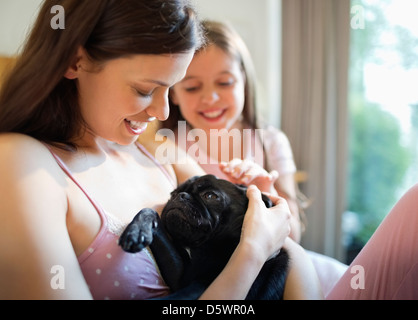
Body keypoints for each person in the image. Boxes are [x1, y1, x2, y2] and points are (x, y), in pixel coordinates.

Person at [0, 0, 322, 300]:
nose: (163, 111)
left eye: (171, 88)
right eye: (146, 89)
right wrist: (251, 254)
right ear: (75, 60)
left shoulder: (160, 152)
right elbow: (262, 248)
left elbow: (290, 254)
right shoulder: (21, 162)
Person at [160, 20, 348, 296]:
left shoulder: (269, 141)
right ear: (173, 91)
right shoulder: (169, 147)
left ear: (244, 82)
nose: (210, 97)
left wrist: (267, 193)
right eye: (191, 87)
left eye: (224, 82)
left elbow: (292, 234)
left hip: (290, 273)